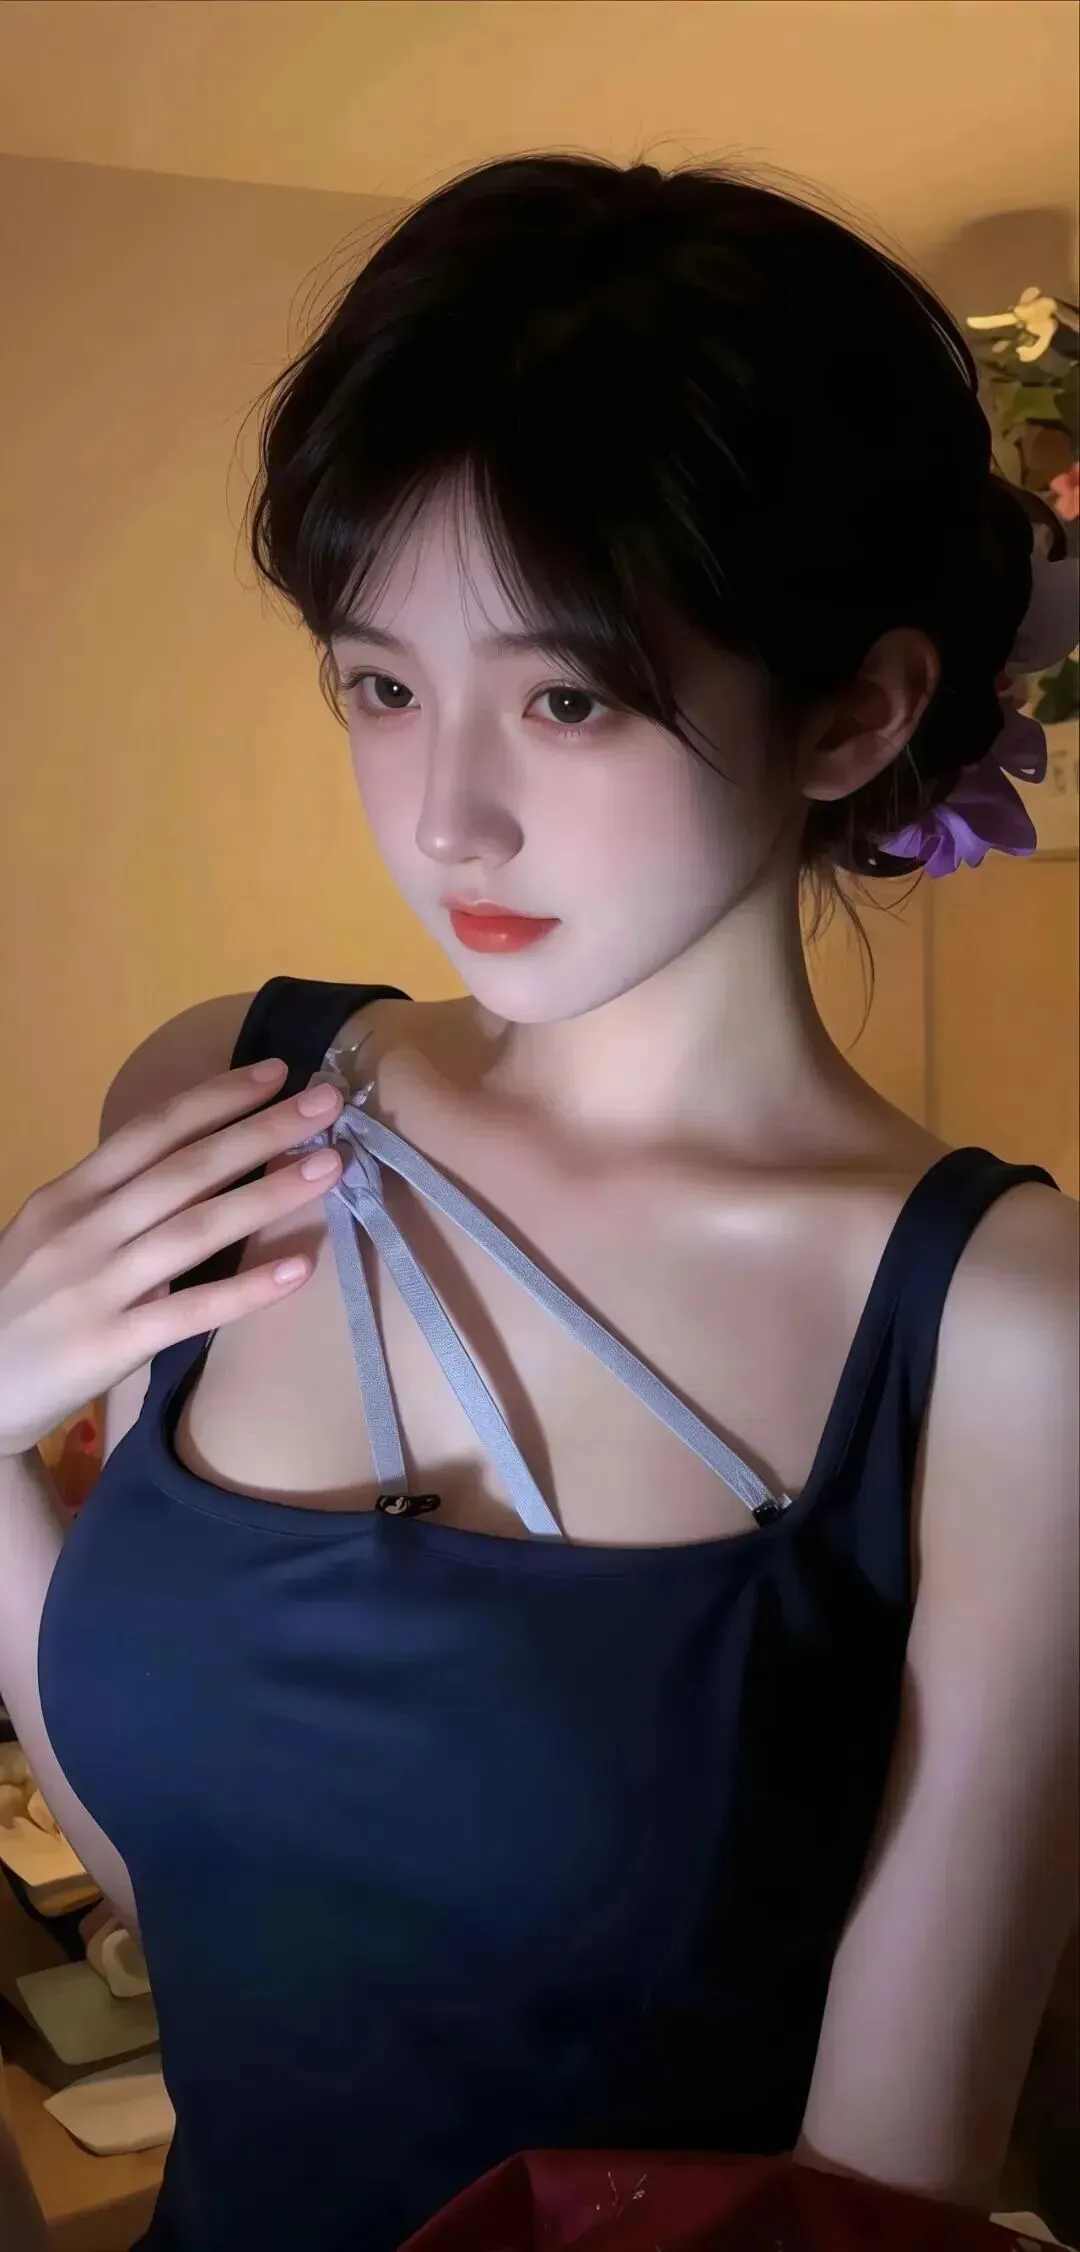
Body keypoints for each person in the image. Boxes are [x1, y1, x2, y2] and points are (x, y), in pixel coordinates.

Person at [0, 156, 1076, 2252]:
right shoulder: (226, 1093)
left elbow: (878, 2197)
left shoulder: (1000, 1327)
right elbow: (186, 1878)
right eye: (380, 685)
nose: (446, 818)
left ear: (852, 713)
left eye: (566, 697)